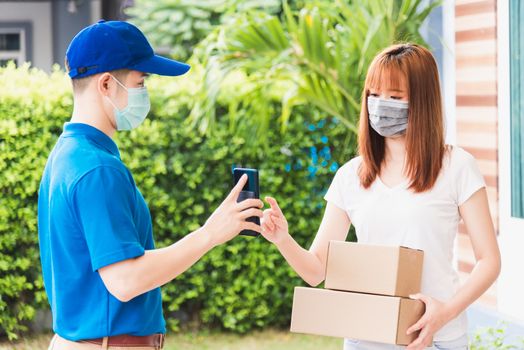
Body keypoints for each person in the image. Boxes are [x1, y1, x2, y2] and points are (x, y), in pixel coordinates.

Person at [38, 20, 263, 350]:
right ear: (105, 84)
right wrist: (211, 233)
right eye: (140, 81)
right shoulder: (97, 168)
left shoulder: (67, 154)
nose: (144, 93)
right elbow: (125, 280)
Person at [260, 43, 501, 350]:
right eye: (373, 94)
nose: (380, 105)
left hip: (438, 339)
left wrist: (444, 313)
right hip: (367, 337)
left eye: (394, 97)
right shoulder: (351, 176)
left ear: (422, 100)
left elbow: (489, 261)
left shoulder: (457, 167)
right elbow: (316, 270)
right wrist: (283, 238)